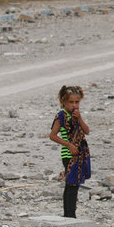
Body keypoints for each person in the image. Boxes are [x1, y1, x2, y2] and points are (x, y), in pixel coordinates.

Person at [49, 85, 91, 218]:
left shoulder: (76, 115)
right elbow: (53, 135)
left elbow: (86, 131)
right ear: (64, 102)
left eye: (76, 102)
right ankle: (69, 214)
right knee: (71, 184)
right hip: (68, 155)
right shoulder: (61, 116)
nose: (74, 105)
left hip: (80, 154)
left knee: (74, 185)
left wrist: (79, 118)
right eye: (71, 102)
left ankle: (69, 214)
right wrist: (69, 145)